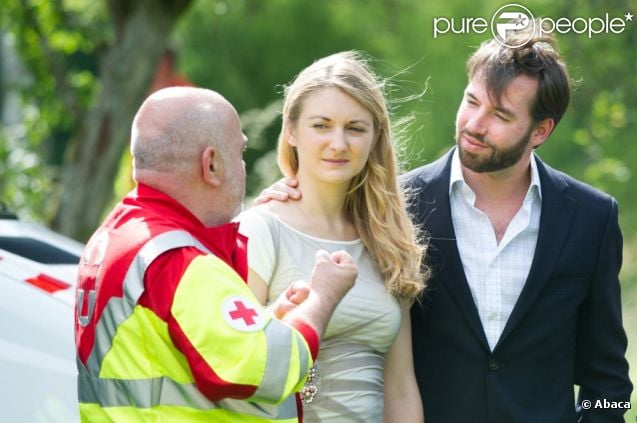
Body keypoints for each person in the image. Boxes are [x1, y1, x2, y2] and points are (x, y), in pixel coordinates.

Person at [257, 27, 633, 422]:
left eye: (500, 115)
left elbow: (607, 383)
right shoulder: (394, 208)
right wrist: (292, 188)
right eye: (472, 102)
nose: (475, 124)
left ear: (541, 130)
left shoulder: (591, 218)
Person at [74, 86, 359, 422]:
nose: (243, 168)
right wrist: (323, 297)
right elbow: (267, 367)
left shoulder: (120, 235)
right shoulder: (181, 261)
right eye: (239, 153)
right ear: (210, 165)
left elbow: (183, 347)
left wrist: (271, 321)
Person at [236, 51, 427, 422]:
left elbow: (401, 390)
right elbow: (237, 368)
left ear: (375, 138)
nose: (338, 144)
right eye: (321, 125)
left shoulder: (388, 241)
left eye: (355, 128)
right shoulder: (261, 229)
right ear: (290, 130)